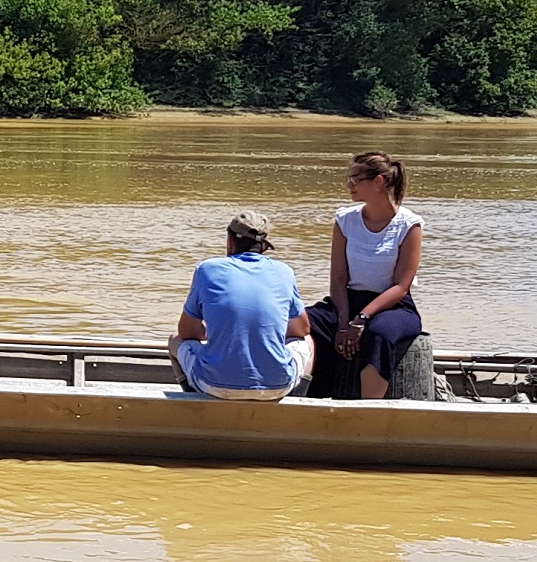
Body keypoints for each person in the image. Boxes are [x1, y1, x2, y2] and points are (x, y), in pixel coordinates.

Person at [307, 151, 427, 400]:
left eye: (356, 178)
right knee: (301, 321)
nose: (349, 184)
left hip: (393, 307)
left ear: (379, 182)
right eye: (348, 178)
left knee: (379, 335)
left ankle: (369, 409)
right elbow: (338, 279)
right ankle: (308, 395)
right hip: (348, 301)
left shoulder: (409, 225)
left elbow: (401, 286)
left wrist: (361, 320)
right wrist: (342, 323)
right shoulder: (345, 220)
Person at [171, 211, 312, 401]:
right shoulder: (284, 271)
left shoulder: (207, 269)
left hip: (214, 386)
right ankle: (297, 397)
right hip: (277, 387)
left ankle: (195, 399)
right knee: (308, 341)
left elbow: (185, 332)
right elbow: (302, 329)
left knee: (174, 340)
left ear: (230, 240)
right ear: (263, 245)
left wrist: (211, 331)